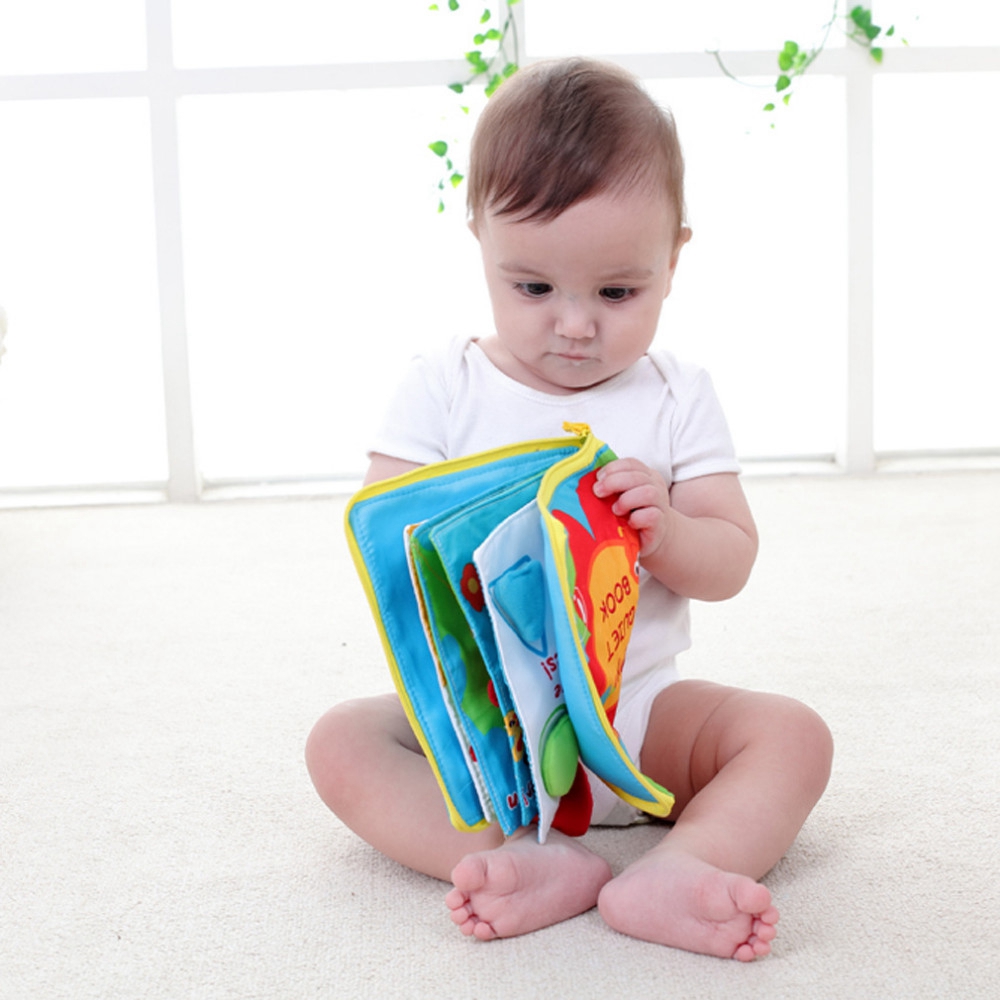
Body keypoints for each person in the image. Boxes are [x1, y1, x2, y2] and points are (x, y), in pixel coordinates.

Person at [306, 57, 833, 962]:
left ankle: (683, 865)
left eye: (618, 292)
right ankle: (515, 853)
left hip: (641, 718)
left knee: (793, 736)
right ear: (480, 243)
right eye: (534, 288)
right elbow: (386, 536)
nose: (577, 325)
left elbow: (732, 558)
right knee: (342, 742)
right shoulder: (443, 387)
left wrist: (666, 530)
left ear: (674, 258)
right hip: (487, 730)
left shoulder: (677, 394)